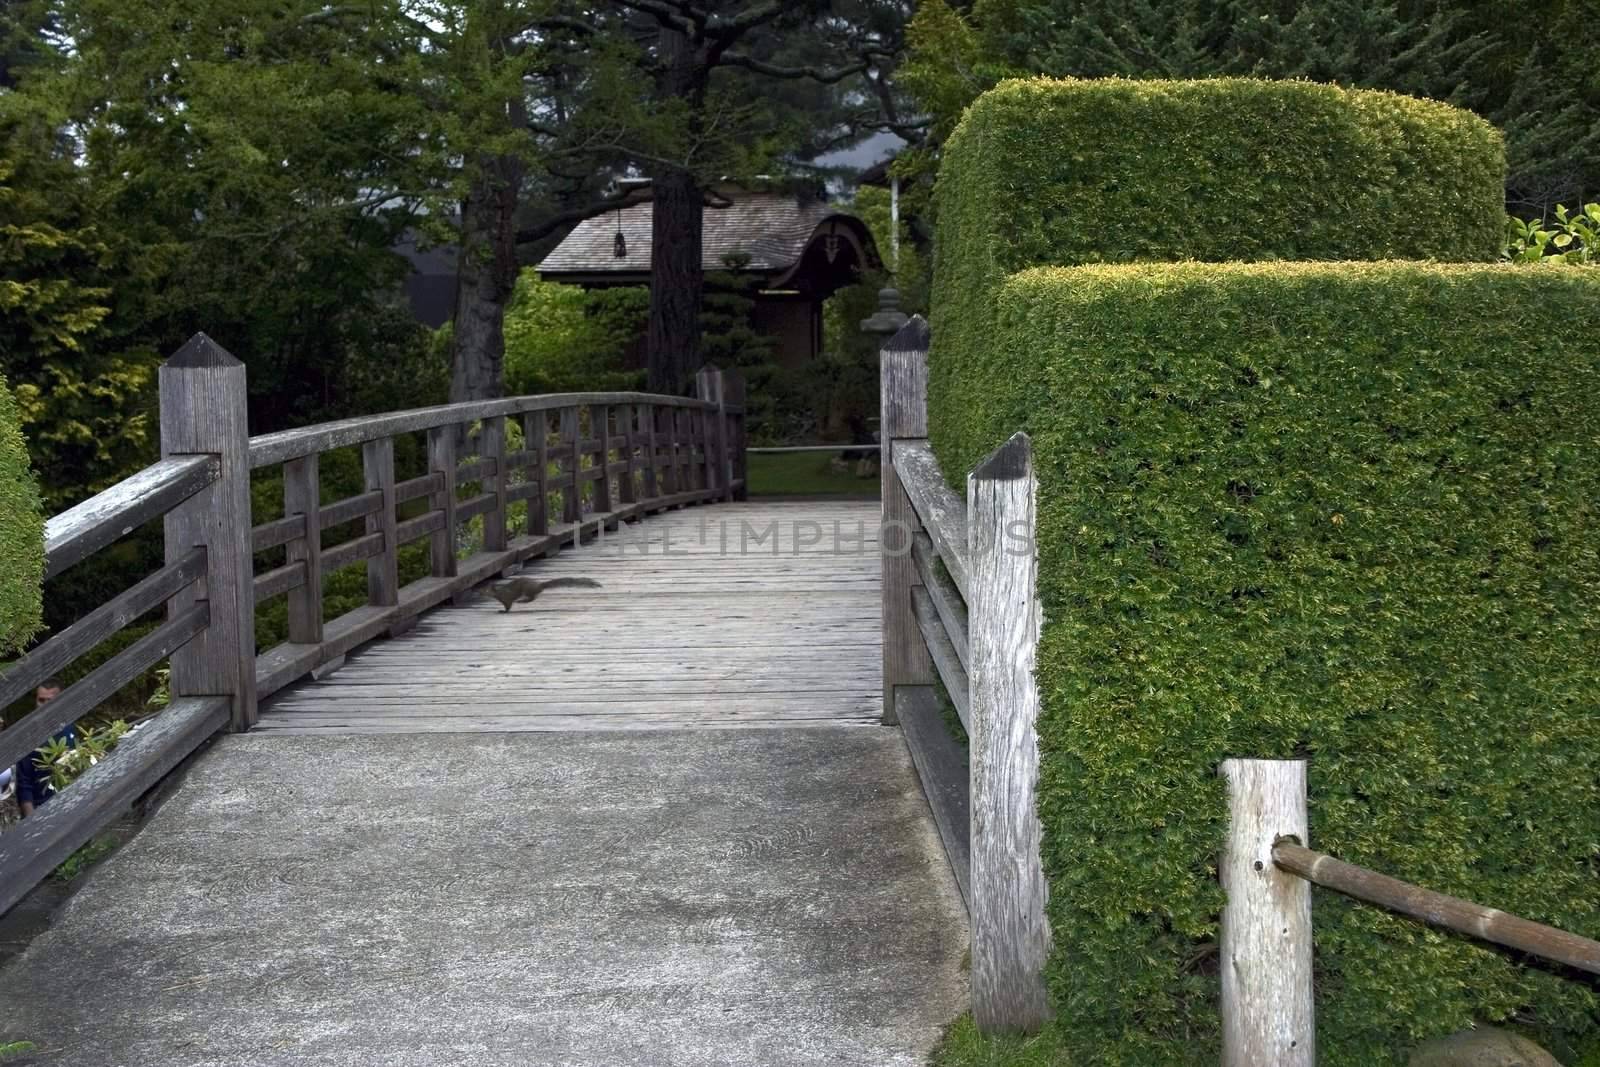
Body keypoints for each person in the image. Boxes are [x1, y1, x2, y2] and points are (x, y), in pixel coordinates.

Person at [15, 678, 75, 819]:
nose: (45, 706)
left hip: (69, 803)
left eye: (51, 701)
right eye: (41, 700)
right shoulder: (27, 735)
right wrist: (31, 820)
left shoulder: (69, 728)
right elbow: (24, 782)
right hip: (41, 807)